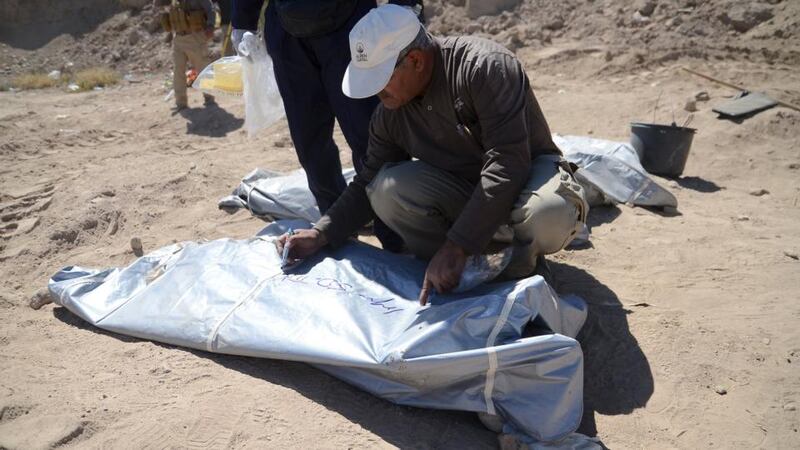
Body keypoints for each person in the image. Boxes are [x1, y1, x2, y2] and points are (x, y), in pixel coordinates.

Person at [278, 4, 588, 305]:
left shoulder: (483, 68)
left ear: (415, 60)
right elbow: (366, 182)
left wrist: (458, 244)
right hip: (467, 193)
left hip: (526, 179)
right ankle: (472, 265)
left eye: (381, 79)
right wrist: (320, 235)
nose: (376, 93)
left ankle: (523, 265)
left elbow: (508, 164)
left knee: (549, 212)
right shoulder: (390, 114)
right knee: (386, 189)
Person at [231, 0, 422, 252]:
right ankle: (335, 231)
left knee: (372, 137)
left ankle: (396, 238)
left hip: (350, 26)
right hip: (289, 33)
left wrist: (405, 4)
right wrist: (243, 20)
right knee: (309, 142)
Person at [155, 0, 217, 111]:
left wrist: (210, 26)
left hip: (195, 37)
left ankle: (209, 98)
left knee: (202, 68)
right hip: (178, 38)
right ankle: (180, 102)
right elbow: (159, 4)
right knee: (178, 71)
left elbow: (211, 10)